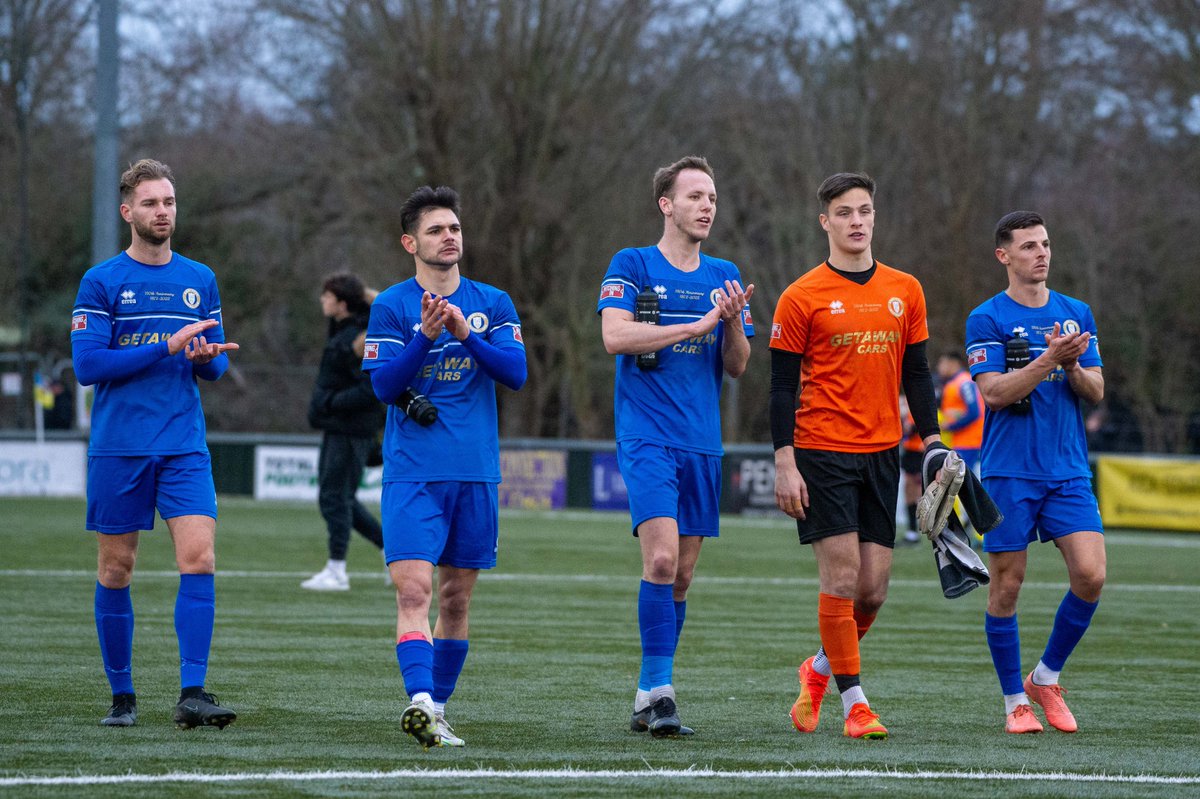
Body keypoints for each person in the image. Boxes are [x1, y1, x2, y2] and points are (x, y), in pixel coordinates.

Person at [770, 172, 947, 740]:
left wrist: (934, 440)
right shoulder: (801, 296)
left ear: (874, 216)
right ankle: (856, 704)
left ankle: (818, 670)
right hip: (822, 449)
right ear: (825, 221)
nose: (856, 221)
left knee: (872, 590)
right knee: (842, 578)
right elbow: (779, 389)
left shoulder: (907, 289)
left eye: (864, 211)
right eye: (844, 212)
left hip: (882, 452)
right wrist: (784, 459)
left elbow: (917, 375)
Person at [70, 158, 240, 729]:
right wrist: (166, 347)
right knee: (117, 569)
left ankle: (193, 692)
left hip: (184, 443)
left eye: (168, 202)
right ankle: (123, 698)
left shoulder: (200, 278)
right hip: (120, 446)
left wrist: (204, 357)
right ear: (128, 212)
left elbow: (209, 370)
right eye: (150, 203)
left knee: (200, 557)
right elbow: (89, 365)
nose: (162, 211)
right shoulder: (101, 281)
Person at [362, 186, 526, 749]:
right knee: (414, 593)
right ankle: (421, 703)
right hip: (413, 474)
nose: (449, 237)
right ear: (410, 242)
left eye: (454, 228)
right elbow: (383, 385)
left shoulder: (494, 302)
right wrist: (425, 336)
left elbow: (515, 373)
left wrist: (464, 333)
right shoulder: (390, 305)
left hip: (475, 472)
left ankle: (440, 709)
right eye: (435, 230)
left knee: (456, 600)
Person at [598, 155, 754, 738]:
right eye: (694, 196)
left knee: (682, 577)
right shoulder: (631, 263)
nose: (706, 205)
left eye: (711, 196)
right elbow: (615, 335)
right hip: (646, 437)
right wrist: (692, 326)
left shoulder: (724, 273)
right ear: (667, 204)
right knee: (660, 560)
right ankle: (662, 693)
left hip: (701, 443)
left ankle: (647, 695)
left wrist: (732, 322)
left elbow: (737, 367)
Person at [966, 211, 1105, 735]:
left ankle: (1044, 678)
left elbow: (1095, 390)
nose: (1041, 253)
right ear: (1004, 256)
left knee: (1091, 575)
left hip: (1068, 469)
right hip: (1008, 471)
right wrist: (1049, 359)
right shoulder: (987, 318)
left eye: (1045, 244)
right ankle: (1013, 703)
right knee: (1007, 584)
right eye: (1028, 246)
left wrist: (1072, 365)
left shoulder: (1076, 312)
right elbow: (996, 393)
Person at [302, 272, 386, 591]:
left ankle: (337, 570)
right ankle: (389, 548)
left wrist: (329, 402)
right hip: (336, 427)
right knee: (337, 498)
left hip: (352, 429)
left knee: (336, 498)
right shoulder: (340, 328)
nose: (322, 300)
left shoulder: (361, 338)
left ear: (341, 303)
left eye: (328, 296)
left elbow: (370, 389)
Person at [936, 350, 984, 474]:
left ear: (953, 363)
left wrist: (950, 426)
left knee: (962, 484)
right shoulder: (953, 383)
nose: (939, 367)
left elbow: (974, 412)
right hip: (959, 441)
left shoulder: (964, 382)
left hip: (968, 442)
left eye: (942, 363)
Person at [897, 396, 924, 545]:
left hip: (918, 450)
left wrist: (901, 421)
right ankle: (912, 532)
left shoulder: (915, 398)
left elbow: (913, 427)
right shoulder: (905, 398)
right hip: (909, 450)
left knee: (917, 490)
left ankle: (918, 530)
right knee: (910, 489)